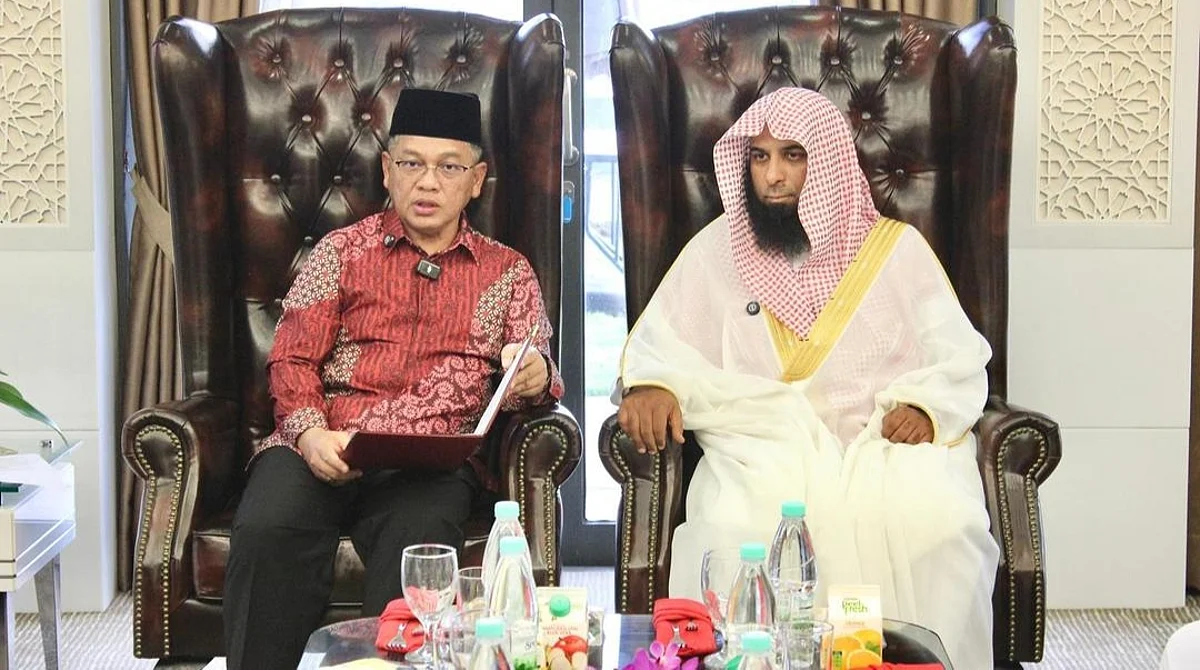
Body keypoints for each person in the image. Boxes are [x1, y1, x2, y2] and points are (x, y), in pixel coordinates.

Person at [615, 87, 998, 670]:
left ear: (828, 162)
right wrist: (653, 385)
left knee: (945, 524)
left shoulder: (897, 251)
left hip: (883, 447)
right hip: (761, 449)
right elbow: (661, 345)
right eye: (759, 157)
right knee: (732, 527)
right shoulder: (718, 250)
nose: (772, 176)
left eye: (792, 155)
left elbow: (958, 357)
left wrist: (926, 407)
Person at [224, 88, 564, 670]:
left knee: (420, 545)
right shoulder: (340, 251)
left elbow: (538, 370)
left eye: (448, 167)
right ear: (387, 170)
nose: (427, 183)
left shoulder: (507, 271)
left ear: (476, 180)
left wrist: (534, 375)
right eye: (411, 163)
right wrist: (310, 435)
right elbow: (291, 359)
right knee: (267, 527)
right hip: (325, 442)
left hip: (428, 464)